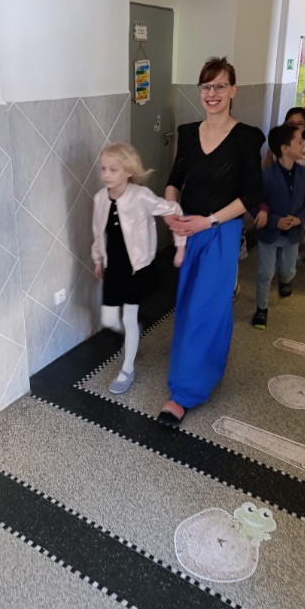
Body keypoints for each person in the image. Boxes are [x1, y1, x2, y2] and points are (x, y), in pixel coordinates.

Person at [160, 56, 264, 425]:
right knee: (190, 305)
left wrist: (210, 220)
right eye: (206, 86)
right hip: (190, 231)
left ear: (233, 90)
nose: (212, 93)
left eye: (220, 85)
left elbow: (251, 196)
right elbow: (175, 180)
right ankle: (204, 366)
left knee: (207, 308)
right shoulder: (189, 133)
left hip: (221, 232)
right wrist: (172, 210)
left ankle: (183, 394)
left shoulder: (248, 137)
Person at [92, 142, 185, 394]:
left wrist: (180, 246)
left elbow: (173, 209)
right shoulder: (100, 199)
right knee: (109, 319)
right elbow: (98, 232)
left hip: (137, 268)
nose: (106, 175)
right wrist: (98, 259)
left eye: (113, 169)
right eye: (103, 168)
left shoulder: (141, 196)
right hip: (113, 267)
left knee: (128, 317)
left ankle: (127, 369)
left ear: (129, 171)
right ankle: (131, 333)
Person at [251, 124, 305, 329]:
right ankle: (261, 309)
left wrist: (299, 219)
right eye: (299, 141)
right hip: (269, 233)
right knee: (265, 273)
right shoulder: (266, 175)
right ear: (285, 148)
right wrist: (274, 220)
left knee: (288, 270)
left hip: (293, 233)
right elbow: (256, 203)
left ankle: (285, 280)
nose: (303, 144)